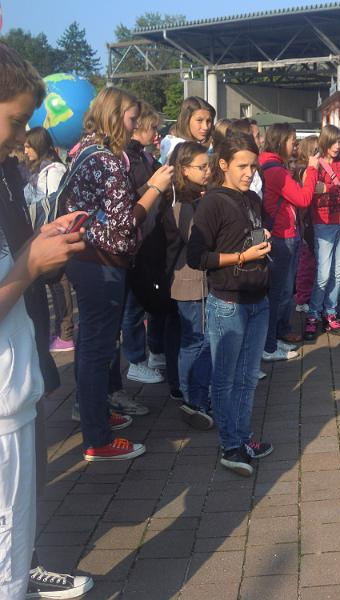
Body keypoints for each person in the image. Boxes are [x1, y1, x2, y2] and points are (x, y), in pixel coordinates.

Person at [0, 41, 94, 600]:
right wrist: (30, 266)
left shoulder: (4, 175)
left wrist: (38, 243)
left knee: (15, 547)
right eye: (15, 121)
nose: (21, 138)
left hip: (15, 393)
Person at [62, 86, 174, 461]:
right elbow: (124, 223)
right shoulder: (108, 160)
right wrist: (155, 188)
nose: (135, 125)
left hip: (86, 259)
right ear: (114, 116)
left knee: (91, 345)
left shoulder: (85, 150)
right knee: (98, 349)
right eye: (131, 118)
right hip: (101, 263)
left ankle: (93, 411)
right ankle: (98, 438)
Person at [186, 131, 273, 476]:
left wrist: (262, 240)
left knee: (248, 377)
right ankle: (230, 445)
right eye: (242, 166)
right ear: (223, 164)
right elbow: (196, 256)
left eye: (253, 166)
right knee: (225, 379)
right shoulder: (213, 202)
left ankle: (243, 436)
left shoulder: (251, 199)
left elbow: (244, 236)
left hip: (258, 299)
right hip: (228, 303)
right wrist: (241, 256)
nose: (249, 173)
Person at [122, 102, 182, 402]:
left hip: (152, 236)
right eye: (152, 128)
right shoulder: (128, 159)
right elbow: (132, 198)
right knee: (134, 304)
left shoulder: (145, 156)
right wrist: (154, 185)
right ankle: (135, 359)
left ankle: (155, 350)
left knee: (157, 297)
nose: (156, 134)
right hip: (138, 239)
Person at [163, 141, 213, 429]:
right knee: (195, 341)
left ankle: (193, 393)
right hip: (189, 282)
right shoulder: (182, 203)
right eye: (201, 167)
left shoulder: (194, 198)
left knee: (196, 340)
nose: (207, 171)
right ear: (183, 169)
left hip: (194, 281)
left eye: (208, 165)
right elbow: (197, 239)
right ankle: (191, 397)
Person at [260, 123, 320, 360]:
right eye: (292, 141)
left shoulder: (268, 164)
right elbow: (303, 198)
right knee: (279, 292)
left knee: (282, 291)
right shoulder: (276, 171)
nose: (295, 146)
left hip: (282, 232)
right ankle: (269, 345)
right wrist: (312, 170)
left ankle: (276, 336)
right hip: (282, 235)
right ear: (280, 141)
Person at [22, 127, 76, 353]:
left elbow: (55, 205)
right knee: (52, 284)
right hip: (40, 234)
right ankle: (59, 331)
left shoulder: (53, 171)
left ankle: (66, 334)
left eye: (28, 146)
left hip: (52, 234)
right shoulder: (36, 171)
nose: (25, 151)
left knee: (59, 283)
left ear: (39, 145)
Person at [304, 125, 340, 340]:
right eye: (333, 142)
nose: (337, 146)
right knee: (323, 274)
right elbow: (314, 198)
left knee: (337, 272)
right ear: (324, 141)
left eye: (339, 141)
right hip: (323, 223)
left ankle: (330, 313)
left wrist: (329, 190)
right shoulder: (316, 165)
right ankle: (313, 314)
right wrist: (338, 193)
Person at [292, 135, 319, 312]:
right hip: (307, 221)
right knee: (307, 262)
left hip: (306, 221)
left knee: (308, 261)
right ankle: (302, 299)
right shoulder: (306, 171)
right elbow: (308, 195)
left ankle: (304, 296)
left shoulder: (300, 169)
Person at [160, 96, 215, 161]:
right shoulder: (179, 148)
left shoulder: (172, 142)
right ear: (186, 120)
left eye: (208, 121)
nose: (205, 127)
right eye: (199, 120)